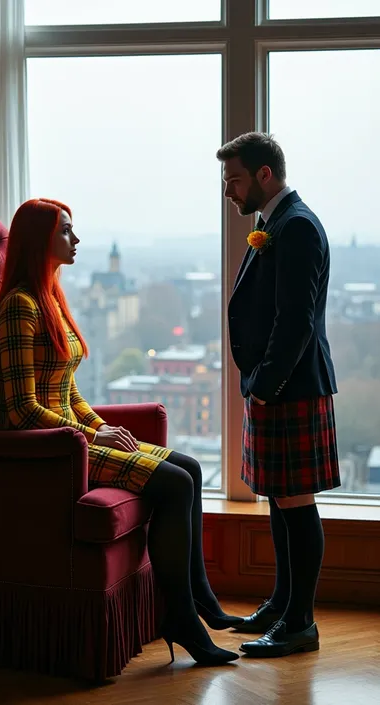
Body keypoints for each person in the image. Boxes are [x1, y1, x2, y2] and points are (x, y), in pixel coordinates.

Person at [0, 198, 243, 666]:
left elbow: (67, 392)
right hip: (47, 451)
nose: (76, 239)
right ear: (39, 240)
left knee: (189, 466)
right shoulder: (19, 308)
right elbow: (22, 410)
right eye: (66, 231)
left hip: (72, 438)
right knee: (175, 482)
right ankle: (182, 616)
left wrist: (102, 426)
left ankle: (200, 599)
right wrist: (88, 437)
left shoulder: (51, 301)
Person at [216, 133, 340, 657]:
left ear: (265, 175)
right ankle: (281, 603)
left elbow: (297, 323)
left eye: (234, 178)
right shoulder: (275, 223)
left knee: (295, 501)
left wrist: (265, 387)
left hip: (290, 388)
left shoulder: (298, 228)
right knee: (278, 500)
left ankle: (300, 624)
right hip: (275, 387)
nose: (228, 189)